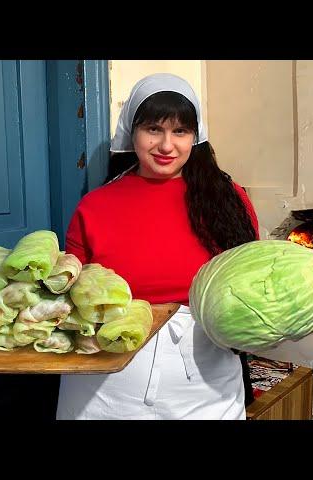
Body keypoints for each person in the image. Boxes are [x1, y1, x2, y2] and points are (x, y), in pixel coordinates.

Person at [56, 73, 260, 420]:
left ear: (195, 137)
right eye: (153, 129)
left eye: (180, 132)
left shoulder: (229, 200)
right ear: (131, 132)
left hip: (206, 387)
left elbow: (251, 283)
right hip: (104, 391)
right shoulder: (94, 207)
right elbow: (71, 293)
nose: (167, 146)